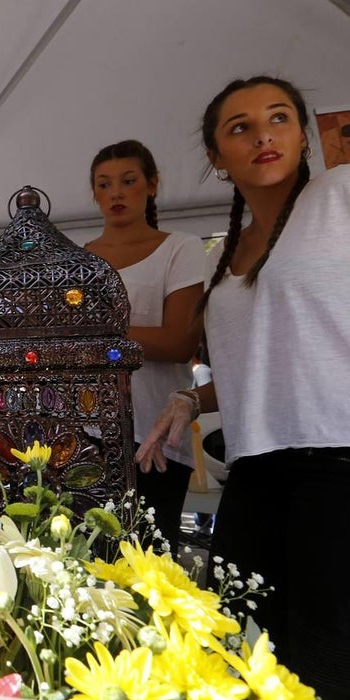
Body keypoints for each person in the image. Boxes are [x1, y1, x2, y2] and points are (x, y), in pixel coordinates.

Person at [137, 76, 350, 700]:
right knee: (257, 672)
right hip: (259, 473)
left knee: (339, 679)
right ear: (217, 157)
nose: (263, 135)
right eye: (240, 127)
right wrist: (190, 399)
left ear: (303, 135)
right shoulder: (229, 254)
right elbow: (264, 367)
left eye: (279, 117)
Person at [84, 139, 204, 550]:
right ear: (94, 193)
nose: (116, 193)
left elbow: (179, 342)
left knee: (148, 560)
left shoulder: (180, 248)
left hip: (156, 430)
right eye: (104, 184)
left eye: (128, 181)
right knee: (84, 559)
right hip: (86, 431)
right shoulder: (80, 259)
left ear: (152, 184)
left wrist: (93, 333)